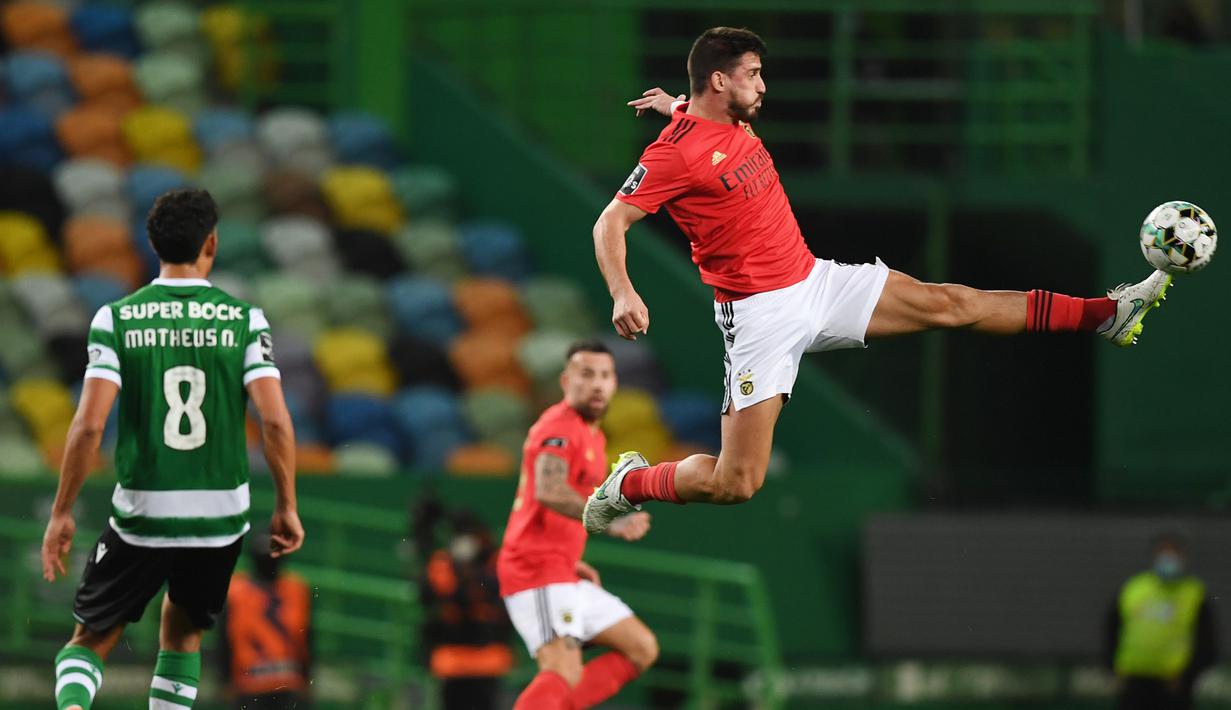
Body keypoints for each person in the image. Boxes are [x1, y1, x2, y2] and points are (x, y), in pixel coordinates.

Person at [582, 26, 1175, 532]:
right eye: (753, 74)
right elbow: (611, 220)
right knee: (736, 482)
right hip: (759, 317)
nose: (763, 85)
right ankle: (633, 482)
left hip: (815, 280)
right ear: (719, 80)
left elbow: (698, 126)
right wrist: (623, 290)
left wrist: (671, 105)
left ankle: (1107, 314)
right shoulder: (674, 154)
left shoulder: (715, 118)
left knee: (952, 302)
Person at [40, 188, 304, 710]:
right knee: (182, 635)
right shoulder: (246, 321)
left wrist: (63, 511)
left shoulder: (115, 319)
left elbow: (89, 426)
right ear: (212, 243)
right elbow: (273, 419)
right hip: (220, 517)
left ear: (152, 245)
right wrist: (287, 503)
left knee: (90, 639)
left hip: (145, 511)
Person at [498, 340, 660, 710]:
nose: (598, 384)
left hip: (560, 567)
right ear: (566, 380)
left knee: (640, 648)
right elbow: (550, 491)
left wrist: (570, 558)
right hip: (535, 568)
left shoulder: (593, 434)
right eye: (587, 375)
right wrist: (612, 521)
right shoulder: (558, 427)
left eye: (606, 375)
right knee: (562, 669)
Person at [1105, 533, 1218, 710]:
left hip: (1173, 685)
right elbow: (1111, 630)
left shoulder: (1194, 594)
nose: (1168, 559)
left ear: (1183, 558)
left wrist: (1188, 677)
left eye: (1174, 553)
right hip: (1134, 683)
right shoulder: (1133, 589)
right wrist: (1113, 668)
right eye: (1163, 553)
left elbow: (1207, 644)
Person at [420, 509, 513, 710]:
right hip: (452, 661)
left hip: (487, 660)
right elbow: (432, 595)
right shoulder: (443, 564)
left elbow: (496, 595)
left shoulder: (493, 563)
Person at [218, 532, 313, 709]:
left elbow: (225, 640)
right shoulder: (296, 587)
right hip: (261, 684)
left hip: (268, 684)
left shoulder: (236, 589)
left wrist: (225, 681)